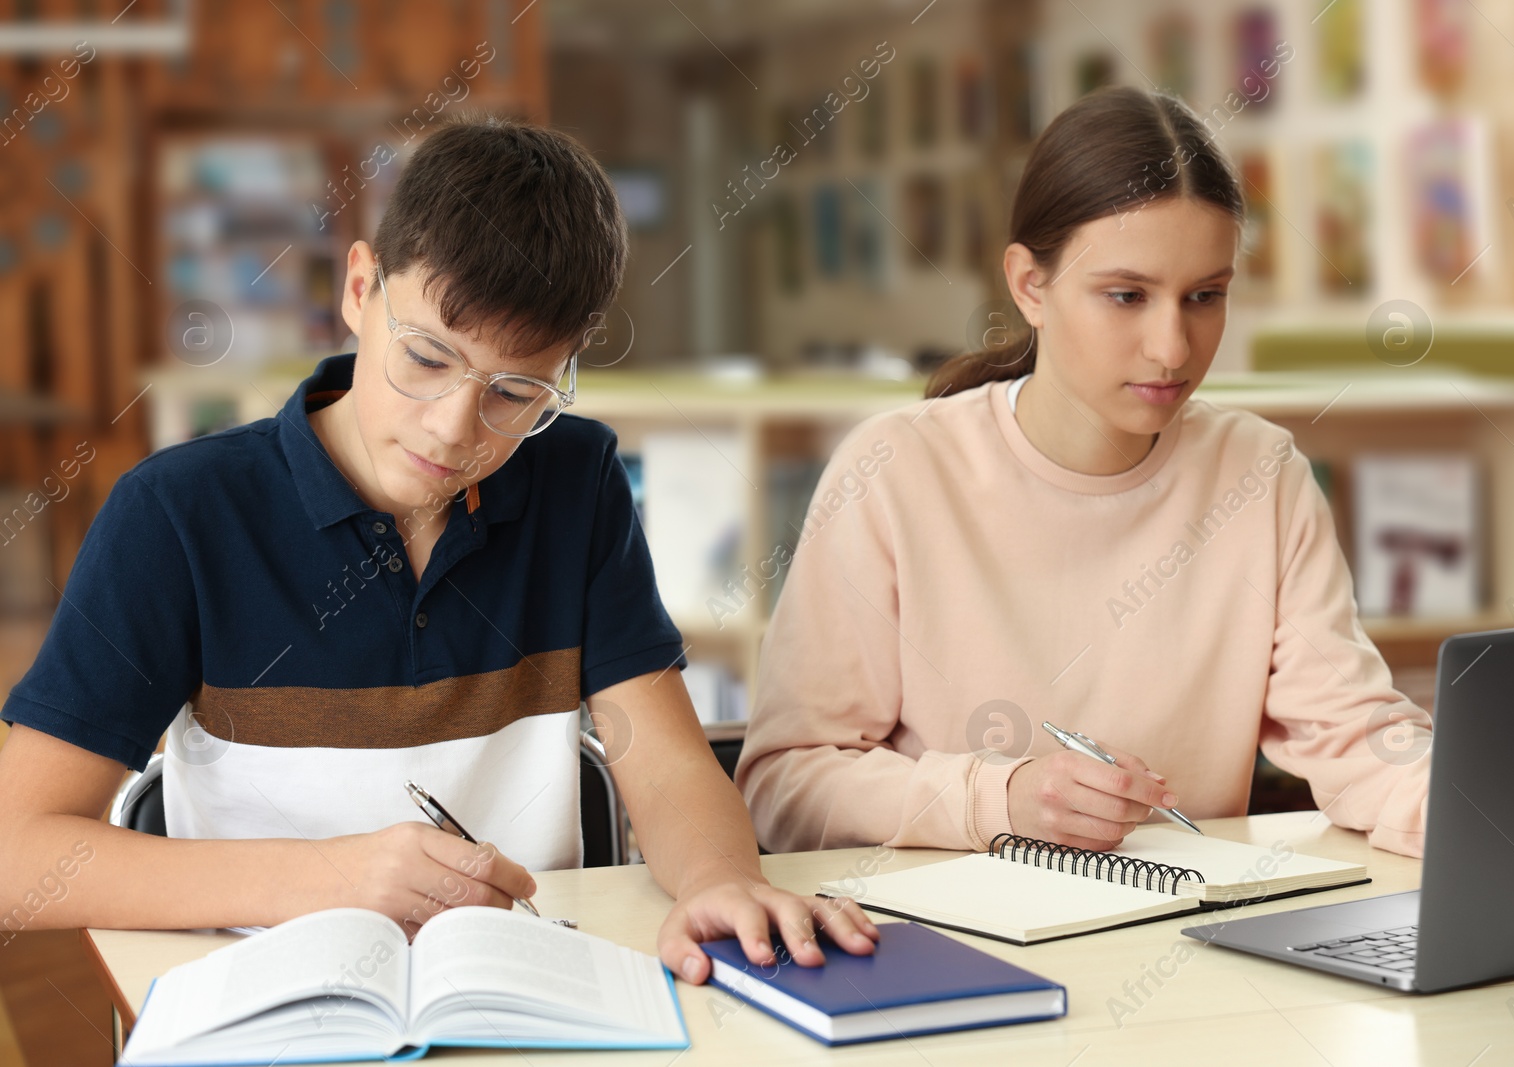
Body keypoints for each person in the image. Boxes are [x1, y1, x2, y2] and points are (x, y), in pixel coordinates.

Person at [0, 117, 875, 982]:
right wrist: (334, 879)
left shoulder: (575, 480)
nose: (455, 428)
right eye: (425, 358)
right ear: (358, 288)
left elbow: (670, 762)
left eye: (516, 391)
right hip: (266, 1003)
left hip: (525, 992)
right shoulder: (178, 514)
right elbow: (18, 854)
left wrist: (722, 880)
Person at [737, 87, 1431, 860]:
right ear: (1031, 286)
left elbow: (1360, 743)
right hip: (949, 940)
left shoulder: (1261, 475)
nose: (1172, 347)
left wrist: (1501, 813)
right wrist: (998, 799)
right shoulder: (895, 470)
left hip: (1183, 938)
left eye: (1205, 296)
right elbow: (783, 788)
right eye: (1126, 296)